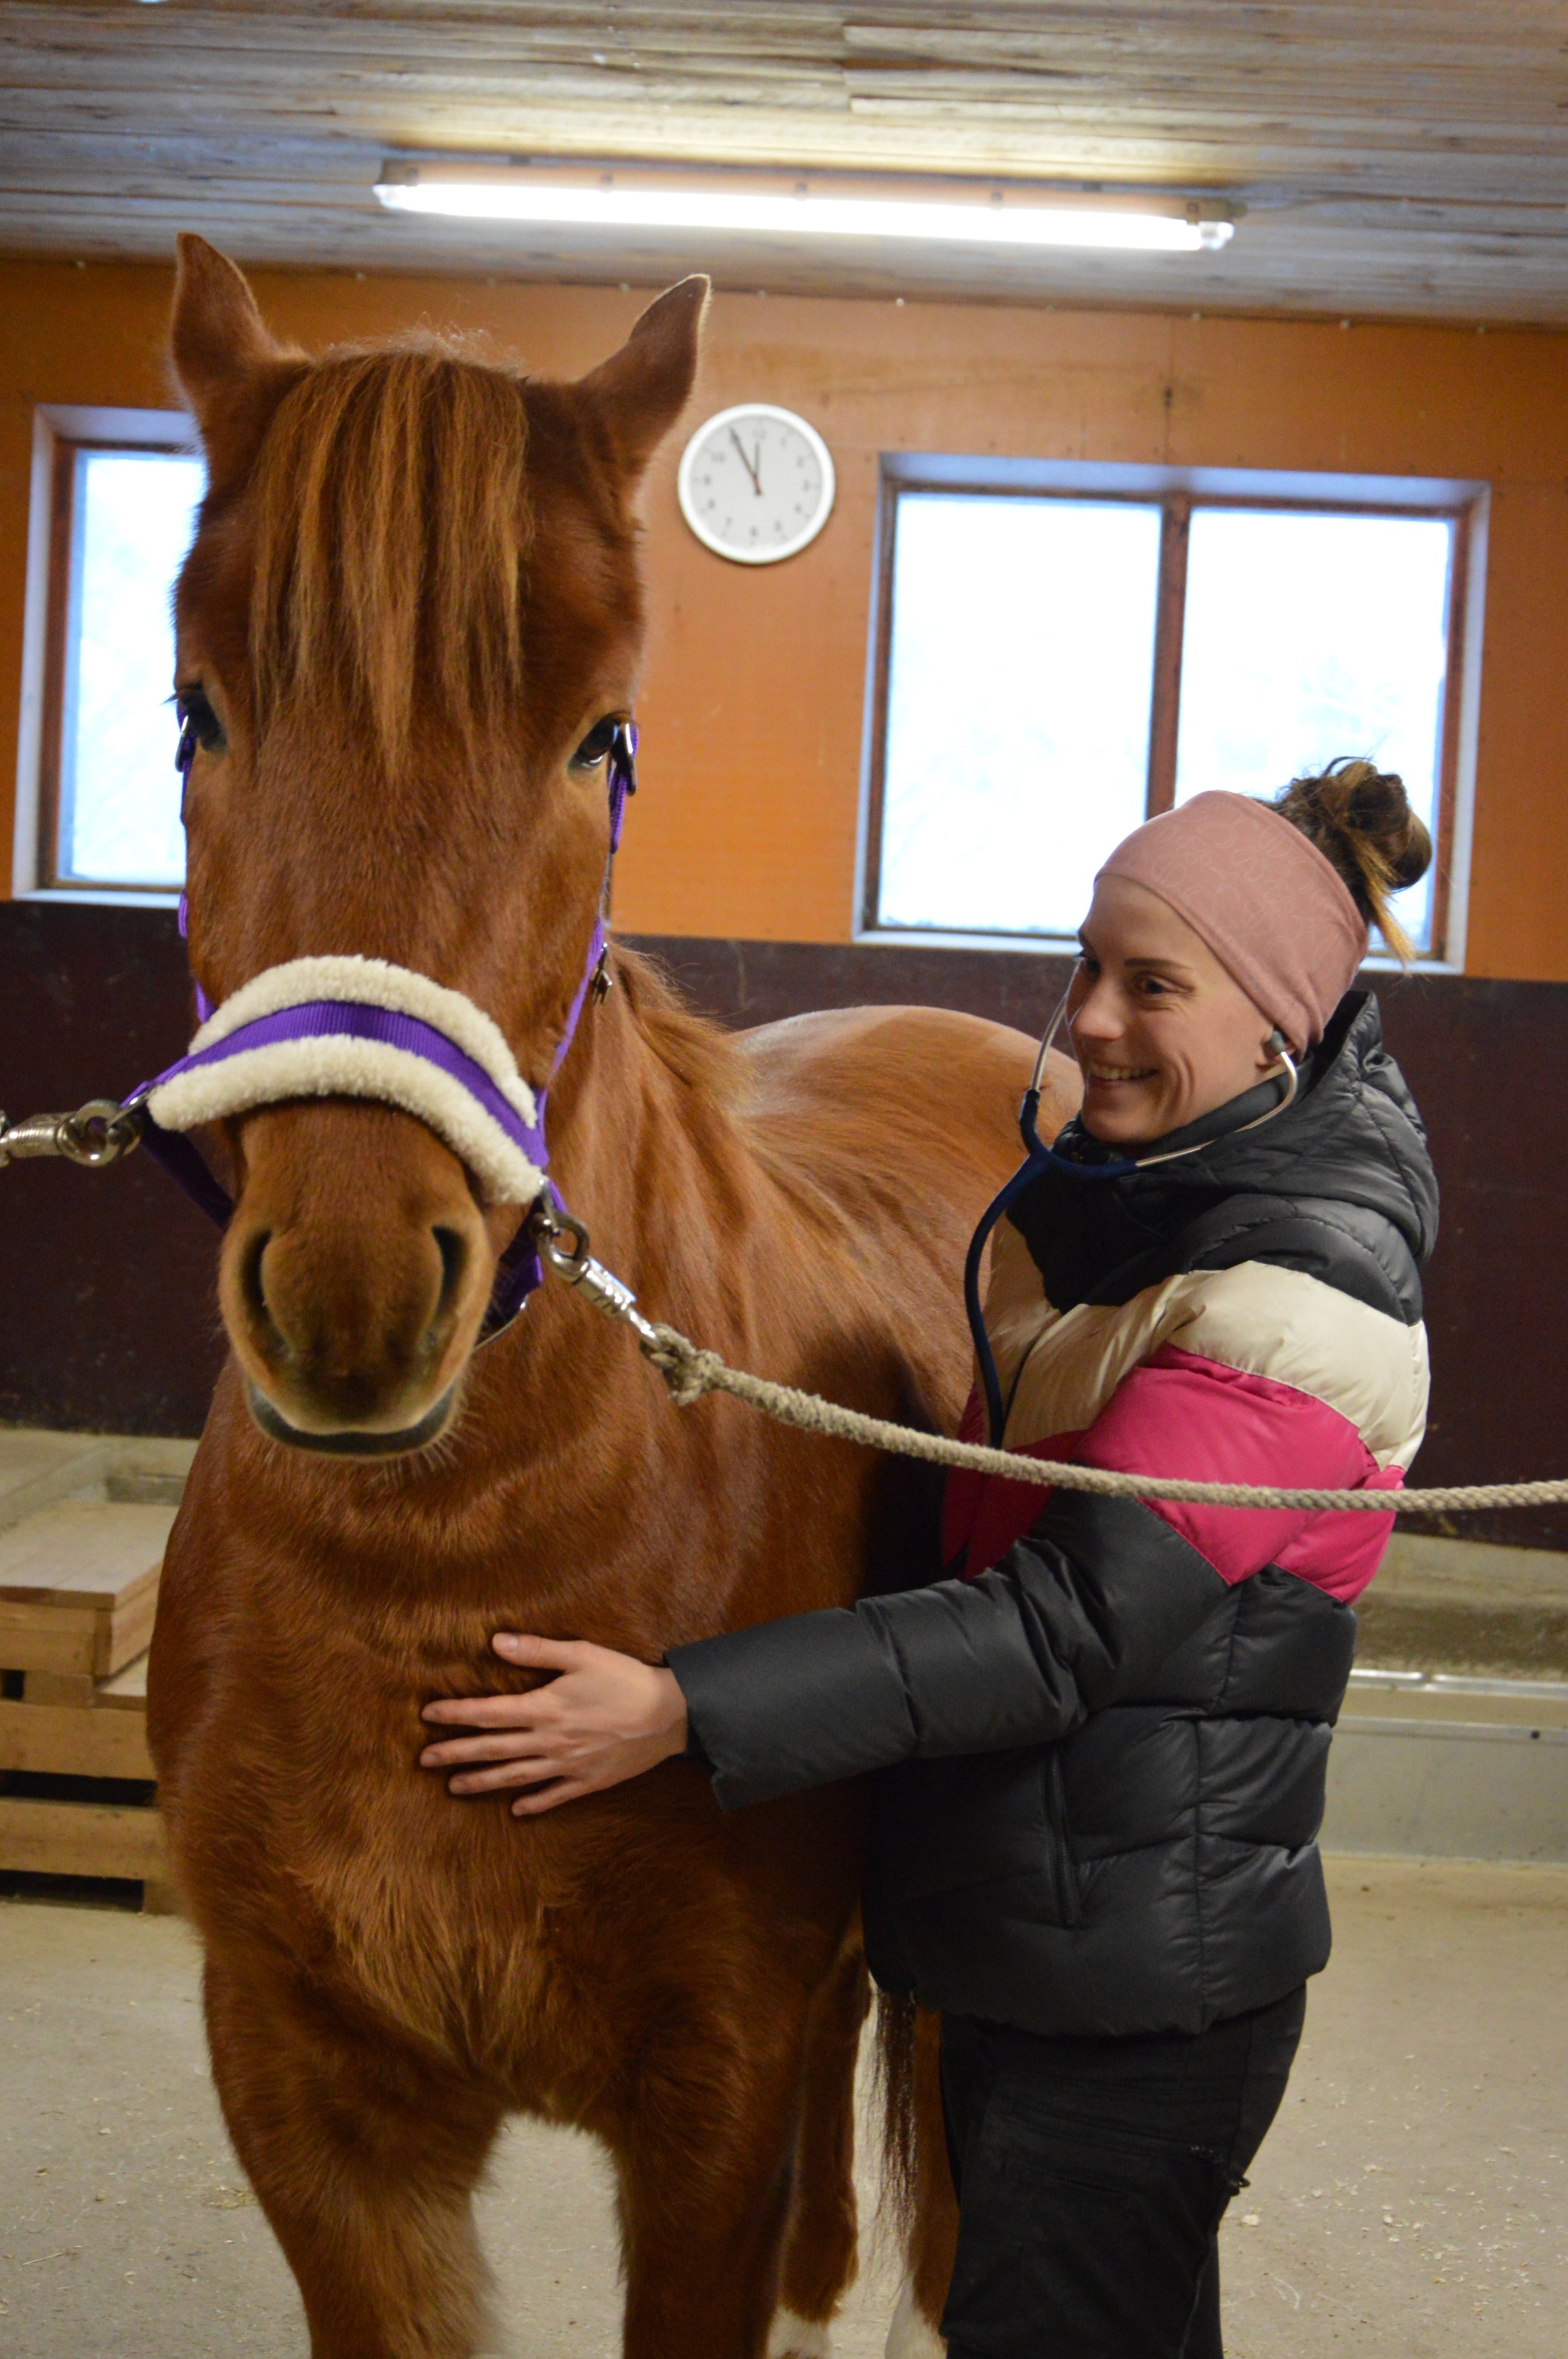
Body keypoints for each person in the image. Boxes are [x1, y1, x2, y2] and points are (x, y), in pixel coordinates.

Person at [421, 760, 1438, 2358]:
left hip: (1130, 1994)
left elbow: (1055, 1630)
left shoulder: (1291, 1300)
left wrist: (680, 1706)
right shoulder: (1152, 1210)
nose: (1088, 1019)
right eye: (1086, 966)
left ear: (1274, 1029)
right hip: (1057, 1936)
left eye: (1151, 984)